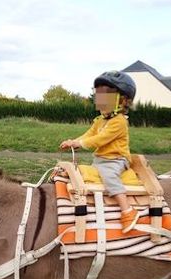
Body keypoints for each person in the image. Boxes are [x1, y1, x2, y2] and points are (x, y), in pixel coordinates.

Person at [59, 71, 139, 233]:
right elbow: (89, 135)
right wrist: (74, 142)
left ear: (123, 101)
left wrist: (79, 143)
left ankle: (128, 210)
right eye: (99, 95)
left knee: (108, 177)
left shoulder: (119, 122)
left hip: (116, 160)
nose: (101, 100)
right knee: (86, 174)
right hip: (100, 159)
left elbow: (100, 139)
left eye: (107, 96)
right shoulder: (100, 120)